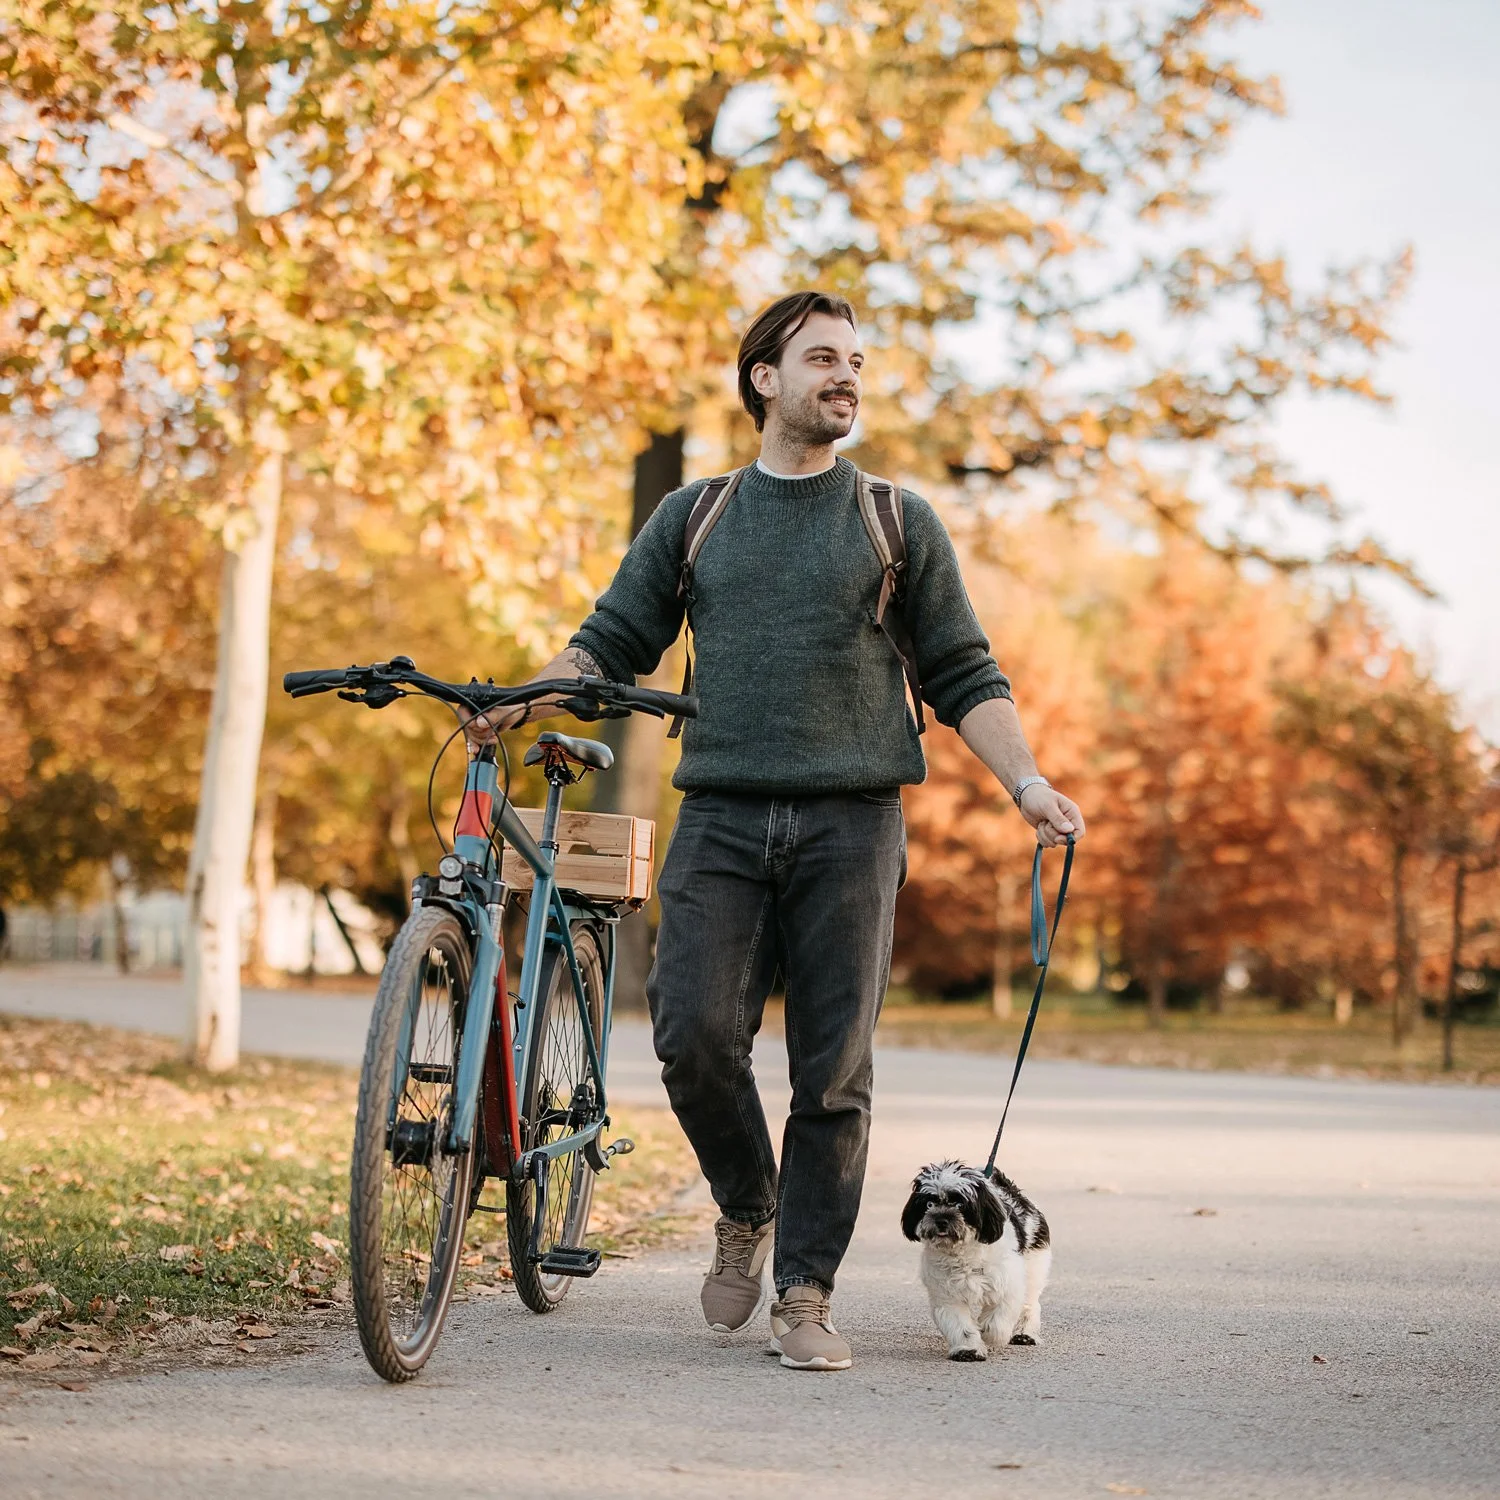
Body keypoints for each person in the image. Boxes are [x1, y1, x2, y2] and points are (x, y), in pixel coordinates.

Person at [465, 291, 1085, 1371]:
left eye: (857, 361)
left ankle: (804, 1292)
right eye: (823, 359)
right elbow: (615, 640)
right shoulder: (698, 515)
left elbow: (962, 669)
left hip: (854, 823)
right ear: (765, 378)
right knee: (692, 1036)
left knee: (832, 1073)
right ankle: (747, 1203)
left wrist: (1024, 781)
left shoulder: (894, 519)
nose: (847, 377)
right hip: (721, 812)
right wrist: (532, 693)